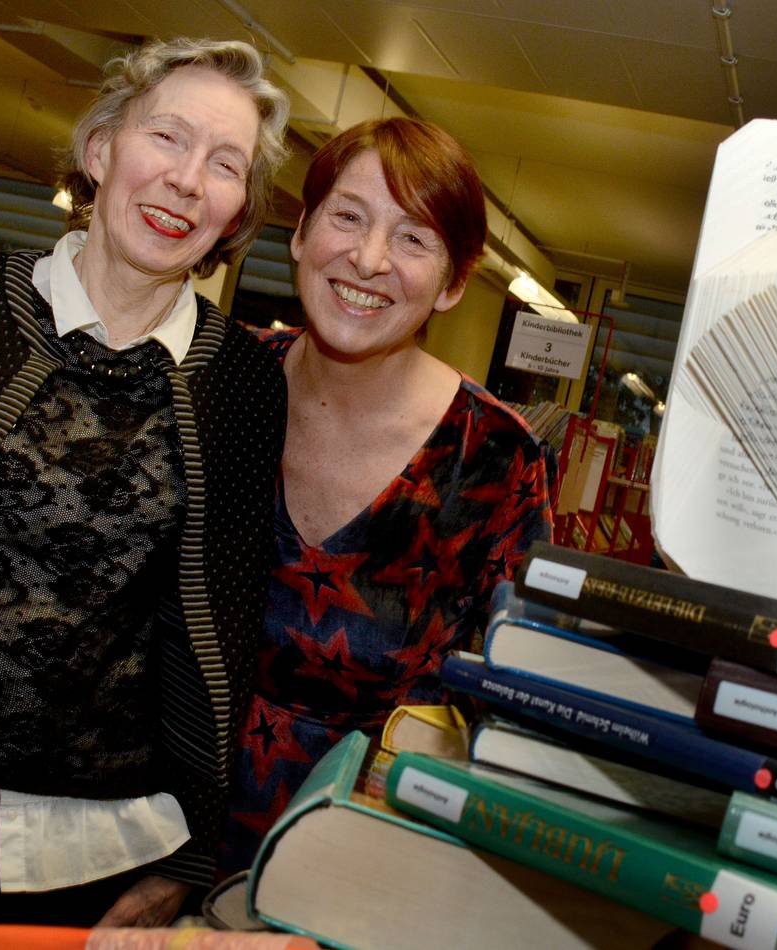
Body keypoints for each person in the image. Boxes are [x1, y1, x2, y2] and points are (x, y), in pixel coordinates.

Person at [0, 37, 289, 944]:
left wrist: (189, 852)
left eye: (225, 164)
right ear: (100, 150)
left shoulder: (240, 384)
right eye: (167, 137)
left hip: (78, 846)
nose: (187, 181)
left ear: (238, 209)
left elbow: (221, 622)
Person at [221, 117, 556, 872]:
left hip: (364, 859)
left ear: (454, 284)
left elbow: (517, 701)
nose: (369, 260)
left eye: (413, 239)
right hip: (150, 822)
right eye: (348, 217)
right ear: (301, 232)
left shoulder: (495, 460)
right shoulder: (220, 382)